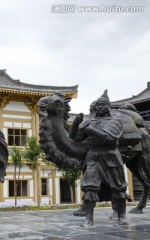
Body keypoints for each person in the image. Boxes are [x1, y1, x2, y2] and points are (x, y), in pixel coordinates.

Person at [71, 90, 128, 227]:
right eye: (98, 105)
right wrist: (75, 124)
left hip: (111, 156)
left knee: (118, 188)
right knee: (89, 188)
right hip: (93, 156)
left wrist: (88, 128)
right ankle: (88, 219)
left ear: (108, 106)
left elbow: (109, 139)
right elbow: (76, 138)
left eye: (103, 104)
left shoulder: (115, 121)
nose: (100, 107)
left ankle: (122, 216)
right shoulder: (90, 121)